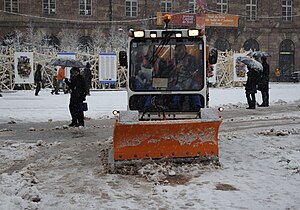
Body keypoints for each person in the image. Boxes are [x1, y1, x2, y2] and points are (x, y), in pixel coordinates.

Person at [169, 44, 202, 110]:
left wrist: (186, 68)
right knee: (176, 89)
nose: (179, 51)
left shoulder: (191, 59)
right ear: (175, 51)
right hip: (179, 81)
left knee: (195, 88)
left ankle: (198, 106)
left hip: (190, 79)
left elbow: (196, 69)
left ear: (185, 50)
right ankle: (175, 106)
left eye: (181, 49)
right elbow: (168, 71)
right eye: (178, 50)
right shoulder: (172, 61)